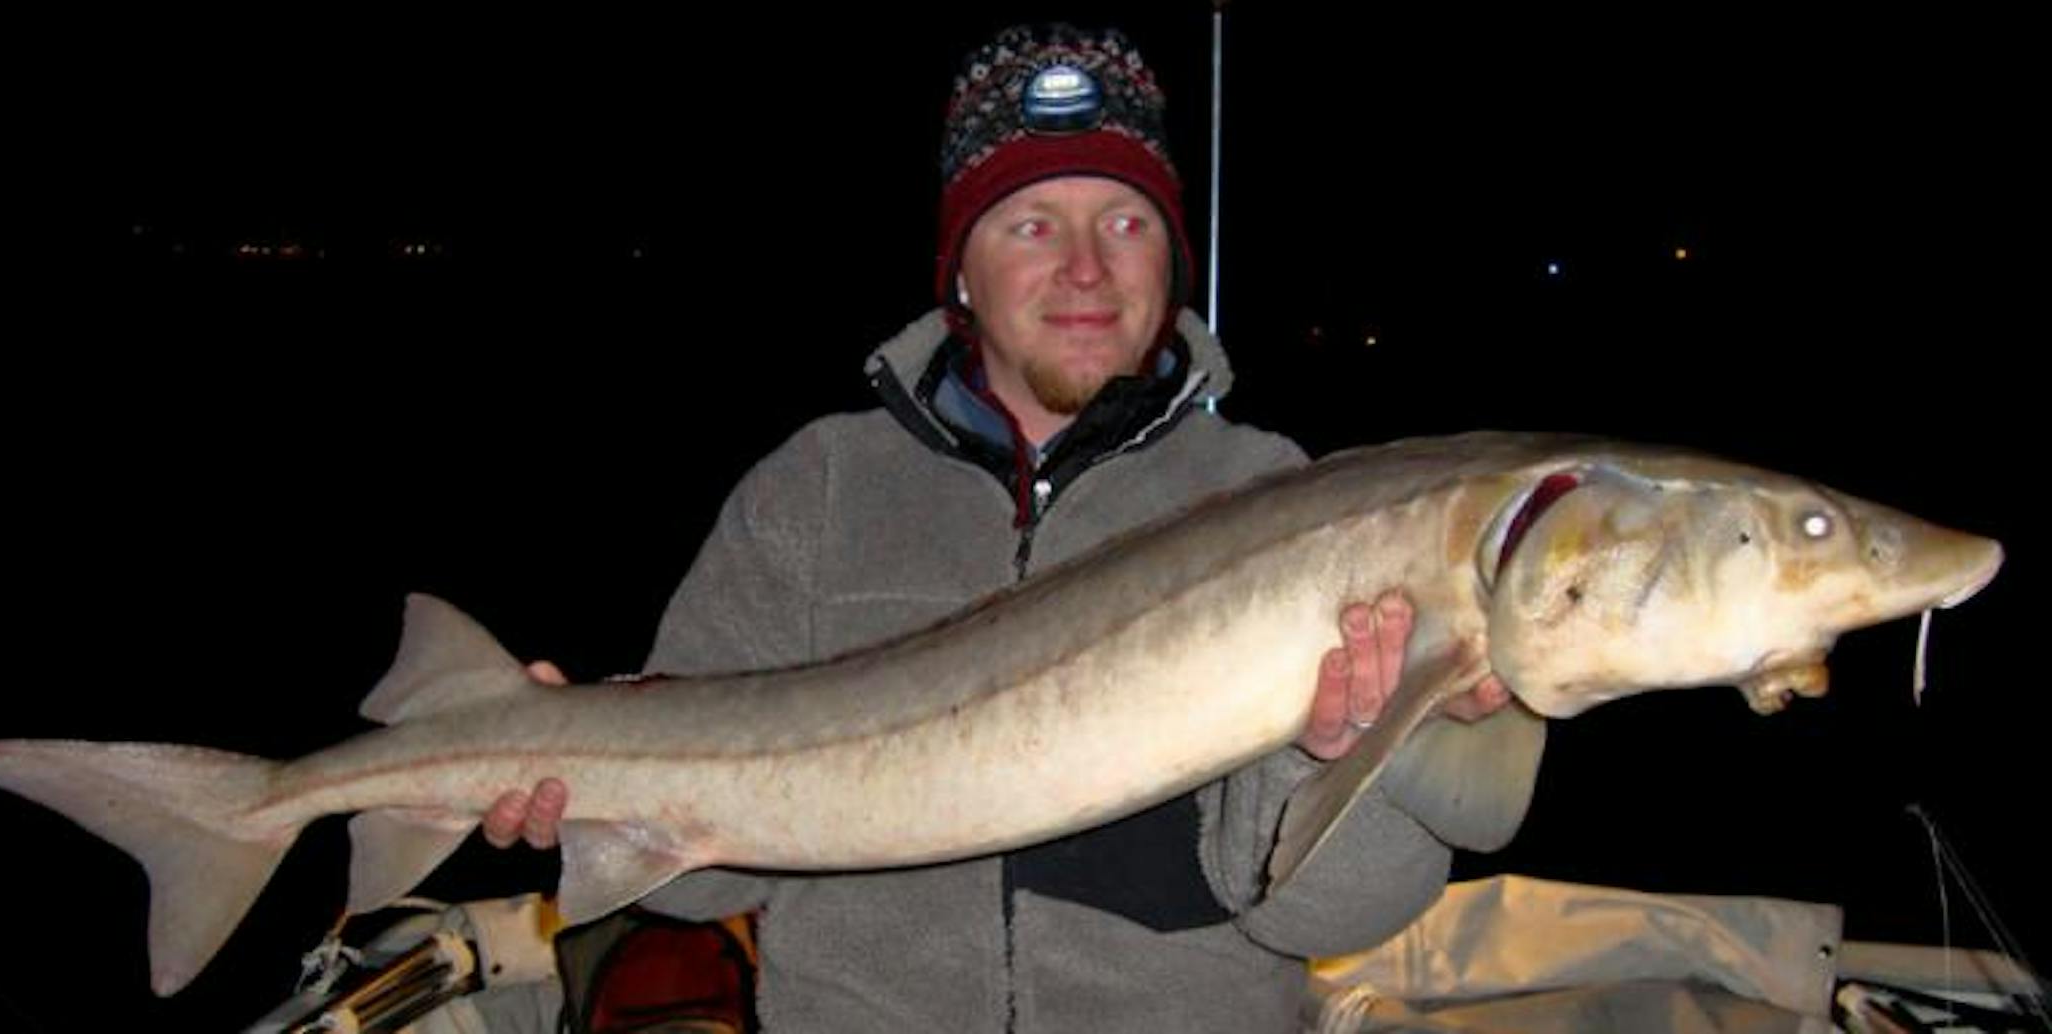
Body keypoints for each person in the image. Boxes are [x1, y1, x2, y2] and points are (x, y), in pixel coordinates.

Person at [450, 22, 1509, 1033]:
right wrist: (591, 789)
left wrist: (1334, 753)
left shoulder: (1276, 498)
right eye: (1033, 224)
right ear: (962, 266)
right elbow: (711, 882)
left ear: (1172, 261)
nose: (1087, 268)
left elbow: (1331, 916)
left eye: (1127, 222)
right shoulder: (815, 490)